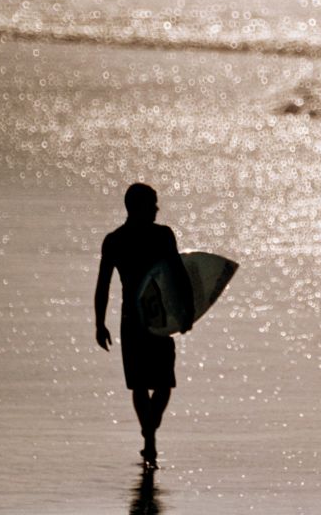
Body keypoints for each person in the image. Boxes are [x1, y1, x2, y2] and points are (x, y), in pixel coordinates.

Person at [95, 183, 193, 470]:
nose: (157, 209)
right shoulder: (154, 237)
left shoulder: (117, 240)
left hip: (139, 320)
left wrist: (100, 323)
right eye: (152, 204)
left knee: (157, 384)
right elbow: (179, 276)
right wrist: (99, 324)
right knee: (151, 384)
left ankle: (149, 431)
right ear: (138, 207)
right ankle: (150, 433)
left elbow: (178, 273)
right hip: (154, 318)